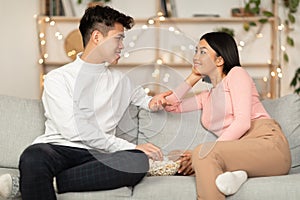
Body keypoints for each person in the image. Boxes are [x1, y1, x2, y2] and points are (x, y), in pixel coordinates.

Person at [0, 5, 171, 200]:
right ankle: (39, 177)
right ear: (97, 37)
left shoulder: (121, 81)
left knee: (138, 162)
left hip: (98, 156)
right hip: (58, 149)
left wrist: (155, 102)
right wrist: (128, 146)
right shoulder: (58, 78)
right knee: (32, 157)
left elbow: (146, 101)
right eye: (119, 38)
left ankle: (45, 182)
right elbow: (74, 130)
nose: (122, 46)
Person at [164, 32, 291, 200]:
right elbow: (170, 105)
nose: (195, 56)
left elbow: (242, 123)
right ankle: (236, 174)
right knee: (179, 155)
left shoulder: (237, 74)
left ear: (219, 60)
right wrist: (193, 77)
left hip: (268, 144)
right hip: (240, 151)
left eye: (203, 52)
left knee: (202, 152)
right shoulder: (206, 97)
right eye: (195, 51)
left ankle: (229, 171)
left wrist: (203, 154)